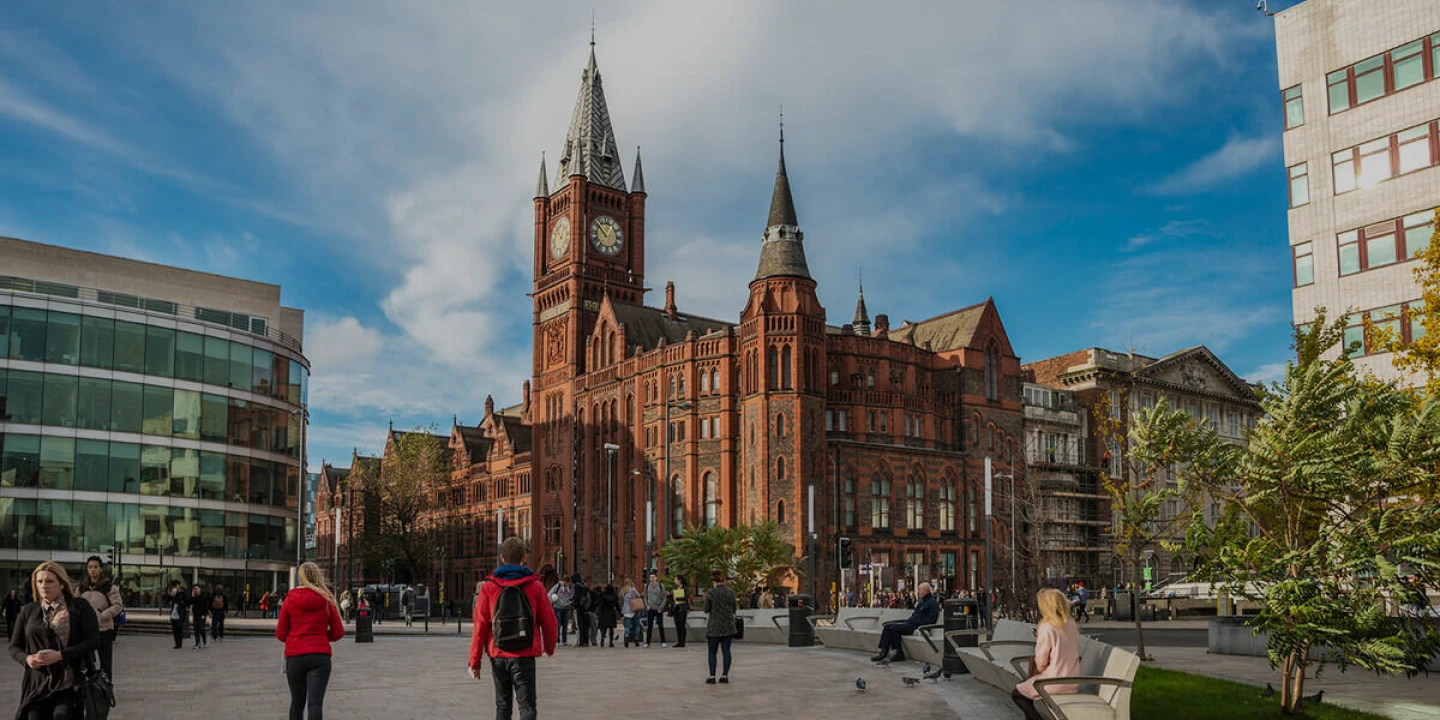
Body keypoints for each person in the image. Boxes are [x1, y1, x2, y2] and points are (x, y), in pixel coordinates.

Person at [468, 537, 558, 720]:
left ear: (502, 558)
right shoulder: (535, 586)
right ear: (524, 558)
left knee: (502, 705)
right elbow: (549, 622)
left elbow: (480, 625)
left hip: (498, 652)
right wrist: (549, 647)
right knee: (527, 707)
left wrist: (474, 661)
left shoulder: (489, 587)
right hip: (524, 653)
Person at [8, 561, 100, 719]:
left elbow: (93, 641)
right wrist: (27, 659)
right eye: (39, 581)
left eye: (49, 581)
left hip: (69, 683)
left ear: (62, 584)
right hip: (38, 684)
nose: (44, 585)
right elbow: (14, 647)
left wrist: (60, 655)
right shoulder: (29, 611)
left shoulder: (79, 607)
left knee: (61, 716)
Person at [276, 562, 345, 720]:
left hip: (295, 656)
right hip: (320, 656)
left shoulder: (290, 599)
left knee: (297, 703)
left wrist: (295, 637)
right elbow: (338, 632)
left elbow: (280, 633)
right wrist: (321, 637)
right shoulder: (326, 599)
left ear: (300, 577)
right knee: (315, 704)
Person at [1012, 588, 1083, 720]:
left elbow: (1041, 662)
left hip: (1053, 681)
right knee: (1026, 688)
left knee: (1017, 694)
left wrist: (1040, 637)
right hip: (1072, 681)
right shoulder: (1071, 623)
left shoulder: (1047, 626)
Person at [76, 555, 123, 680]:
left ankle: (106, 688)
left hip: (104, 628)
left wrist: (104, 615)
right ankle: (89, 688)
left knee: (105, 662)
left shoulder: (109, 587)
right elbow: (75, 604)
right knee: (86, 661)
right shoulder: (82, 587)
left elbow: (118, 605)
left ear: (101, 569)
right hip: (85, 630)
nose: (93, 570)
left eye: (96, 567)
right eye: (90, 567)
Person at [871, 582, 938, 663]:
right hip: (911, 624)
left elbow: (931, 620)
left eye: (919, 590)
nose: (918, 592)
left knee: (891, 628)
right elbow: (915, 615)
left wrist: (916, 623)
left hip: (917, 627)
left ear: (924, 591)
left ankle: (892, 653)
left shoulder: (932, 603)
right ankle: (886, 651)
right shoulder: (922, 602)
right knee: (889, 627)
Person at [703, 570, 737, 684]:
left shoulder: (711, 592)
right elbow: (734, 608)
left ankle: (712, 676)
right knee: (726, 651)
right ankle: (725, 675)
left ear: (714, 581)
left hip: (714, 626)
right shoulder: (730, 592)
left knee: (712, 652)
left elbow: (706, 609)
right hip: (728, 625)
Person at [643, 573, 668, 647]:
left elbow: (664, 597)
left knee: (660, 625)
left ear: (656, 578)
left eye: (653, 577)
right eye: (650, 577)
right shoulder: (647, 586)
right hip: (650, 608)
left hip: (658, 608)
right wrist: (647, 605)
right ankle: (647, 642)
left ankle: (663, 641)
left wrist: (661, 607)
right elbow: (645, 597)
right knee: (649, 626)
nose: (652, 579)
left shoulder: (660, 586)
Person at [548, 577, 573, 647]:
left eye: (567, 583)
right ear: (564, 581)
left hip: (566, 608)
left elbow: (572, 595)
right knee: (557, 625)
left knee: (565, 626)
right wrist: (551, 601)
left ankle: (564, 641)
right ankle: (557, 641)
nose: (566, 584)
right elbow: (550, 594)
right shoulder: (558, 586)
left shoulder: (570, 588)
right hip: (557, 608)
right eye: (565, 582)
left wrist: (571, 601)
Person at [570, 575, 592, 647]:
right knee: (585, 625)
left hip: (578, 607)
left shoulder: (577, 585)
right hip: (584, 608)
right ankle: (586, 641)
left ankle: (580, 642)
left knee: (579, 625)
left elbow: (577, 596)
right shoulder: (583, 585)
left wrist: (572, 601)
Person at [166, 580, 188, 650]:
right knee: (175, 628)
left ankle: (179, 643)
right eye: (174, 586)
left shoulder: (183, 594)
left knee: (179, 627)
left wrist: (181, 604)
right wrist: (170, 595)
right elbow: (167, 601)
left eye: (177, 586)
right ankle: (176, 643)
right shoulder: (173, 593)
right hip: (174, 613)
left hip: (180, 612)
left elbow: (187, 602)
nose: (176, 587)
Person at [669, 576, 690, 649]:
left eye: (675, 579)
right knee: (677, 625)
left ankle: (682, 642)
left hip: (682, 608)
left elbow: (686, 597)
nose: (674, 581)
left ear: (680, 580)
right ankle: (679, 641)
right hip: (676, 608)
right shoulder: (674, 588)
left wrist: (677, 598)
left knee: (682, 625)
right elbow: (672, 598)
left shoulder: (685, 588)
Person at [597, 583, 620, 648]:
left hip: (604, 612)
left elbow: (600, 604)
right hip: (611, 612)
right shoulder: (614, 596)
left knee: (604, 627)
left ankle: (602, 639)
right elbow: (617, 605)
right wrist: (620, 612)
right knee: (611, 628)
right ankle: (610, 642)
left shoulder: (603, 595)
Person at [621, 579, 642, 648]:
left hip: (626, 610)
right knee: (637, 626)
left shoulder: (623, 590)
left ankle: (626, 639)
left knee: (627, 626)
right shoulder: (633, 589)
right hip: (634, 609)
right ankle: (636, 640)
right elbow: (638, 596)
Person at [189, 584, 208, 649]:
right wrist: (192, 596)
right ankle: (197, 643)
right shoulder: (194, 597)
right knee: (196, 629)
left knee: (201, 628)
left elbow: (206, 606)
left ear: (199, 589)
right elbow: (189, 603)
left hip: (202, 615)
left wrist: (204, 615)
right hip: (195, 615)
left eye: (197, 588)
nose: (196, 590)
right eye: (194, 589)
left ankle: (204, 642)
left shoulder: (204, 597)